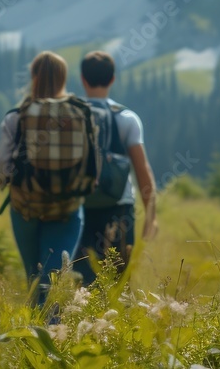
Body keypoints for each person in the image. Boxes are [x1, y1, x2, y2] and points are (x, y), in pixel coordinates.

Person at [0, 51, 92, 304]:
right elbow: (92, 163)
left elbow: (0, 168)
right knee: (55, 274)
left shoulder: (17, 116)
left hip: (26, 206)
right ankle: (53, 329)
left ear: (34, 77)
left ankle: (35, 330)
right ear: (63, 78)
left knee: (34, 275)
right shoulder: (81, 112)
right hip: (67, 206)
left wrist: (9, 183)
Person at [73, 51, 157, 285]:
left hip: (79, 205)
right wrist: (151, 213)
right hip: (119, 208)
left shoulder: (72, 114)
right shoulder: (127, 118)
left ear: (82, 79)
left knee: (81, 281)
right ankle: (114, 321)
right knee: (117, 281)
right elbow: (142, 169)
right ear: (112, 79)